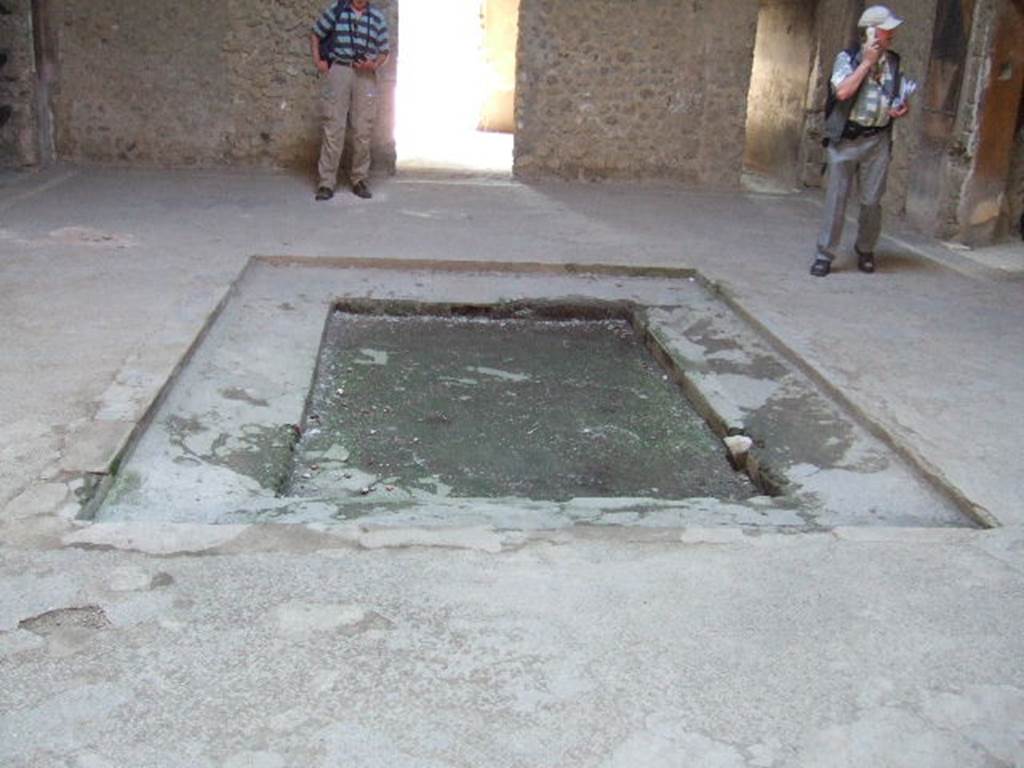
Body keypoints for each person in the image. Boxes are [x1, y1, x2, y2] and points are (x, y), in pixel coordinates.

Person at [811, 5, 911, 277]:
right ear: (871, 32)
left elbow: (895, 93)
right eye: (886, 29)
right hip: (846, 139)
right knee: (836, 199)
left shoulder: (893, 61)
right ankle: (825, 254)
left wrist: (899, 107)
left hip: (876, 139)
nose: (891, 34)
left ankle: (866, 249)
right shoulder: (848, 59)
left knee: (871, 201)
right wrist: (867, 62)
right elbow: (843, 92)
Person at [310, 0, 390, 201]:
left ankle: (359, 179)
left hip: (366, 76)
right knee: (333, 126)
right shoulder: (337, 10)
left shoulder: (377, 18)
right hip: (340, 69)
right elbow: (316, 33)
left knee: (363, 128)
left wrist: (374, 64)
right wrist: (318, 60)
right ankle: (326, 182)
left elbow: (384, 51)